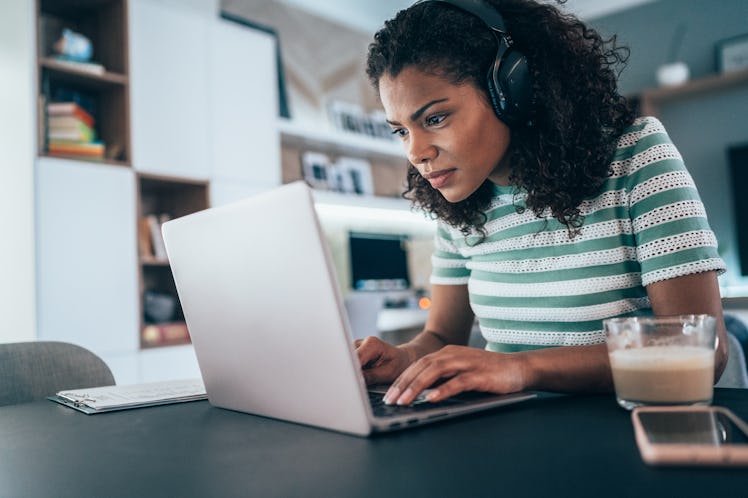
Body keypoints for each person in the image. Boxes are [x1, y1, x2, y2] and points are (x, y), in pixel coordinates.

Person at [355, 0, 728, 406]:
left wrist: (521, 367)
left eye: (435, 119)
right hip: (511, 432)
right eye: (400, 131)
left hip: (630, 428)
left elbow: (702, 351)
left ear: (510, 90)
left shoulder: (635, 155)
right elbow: (442, 337)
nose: (417, 152)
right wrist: (404, 357)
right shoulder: (457, 205)